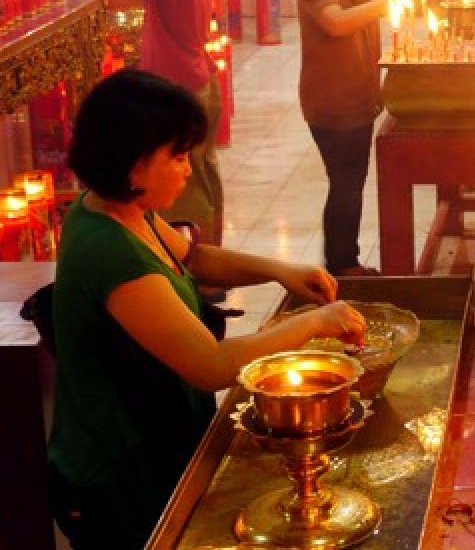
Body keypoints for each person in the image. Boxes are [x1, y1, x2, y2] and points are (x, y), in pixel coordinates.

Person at [47, 69, 368, 549]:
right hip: (121, 474)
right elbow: (211, 365)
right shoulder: (107, 250)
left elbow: (192, 257)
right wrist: (315, 322)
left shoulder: (122, 209)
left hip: (160, 446)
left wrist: (279, 270)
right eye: (176, 156)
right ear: (134, 165)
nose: (186, 167)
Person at [295, 0, 430, 277]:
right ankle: (341, 264)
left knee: (352, 180)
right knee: (345, 182)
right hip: (331, 104)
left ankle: (344, 260)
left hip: (361, 96)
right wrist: (390, 3)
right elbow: (337, 23)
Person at [92, 0, 223, 245]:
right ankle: (210, 262)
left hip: (175, 86)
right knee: (201, 172)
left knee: (183, 186)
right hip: (196, 77)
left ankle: (196, 268)